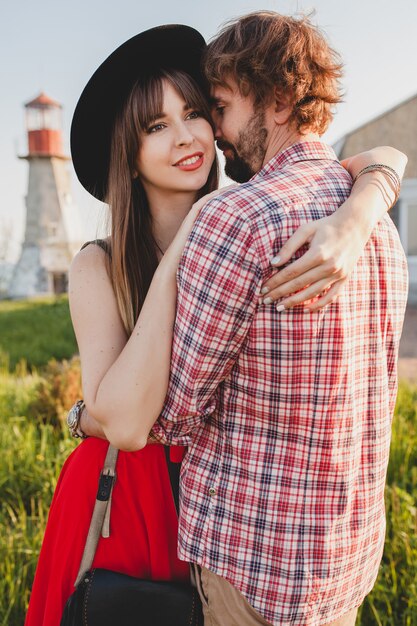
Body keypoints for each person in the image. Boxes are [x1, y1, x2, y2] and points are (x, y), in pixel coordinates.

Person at [26, 22, 406, 626]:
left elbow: (379, 157)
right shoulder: (99, 264)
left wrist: (361, 209)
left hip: (231, 511)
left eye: (198, 112)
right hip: (130, 498)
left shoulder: (248, 215)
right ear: (129, 151)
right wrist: (183, 249)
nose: (187, 136)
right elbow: (125, 425)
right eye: (156, 126)